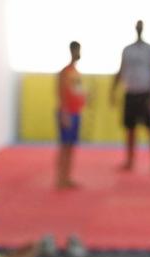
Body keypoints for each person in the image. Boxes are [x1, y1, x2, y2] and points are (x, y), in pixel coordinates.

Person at [112, 20, 150, 172]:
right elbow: (121, 70)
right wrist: (113, 90)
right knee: (130, 129)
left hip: (146, 93)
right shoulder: (127, 50)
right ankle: (130, 160)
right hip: (131, 93)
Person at [57, 41, 86, 189]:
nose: (78, 53)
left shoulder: (76, 72)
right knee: (65, 146)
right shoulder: (65, 72)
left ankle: (67, 176)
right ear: (72, 51)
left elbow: (77, 91)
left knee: (71, 147)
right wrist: (64, 112)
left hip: (76, 112)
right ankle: (60, 178)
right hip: (67, 113)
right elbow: (61, 92)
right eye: (76, 50)